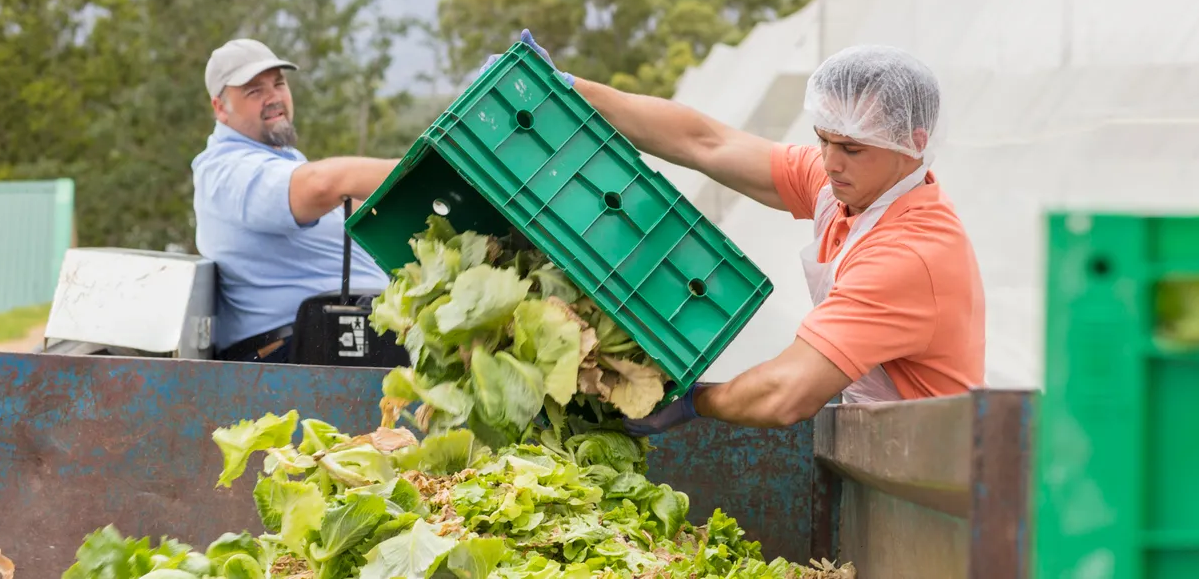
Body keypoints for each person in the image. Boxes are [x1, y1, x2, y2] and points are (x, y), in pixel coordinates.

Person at [483, 30, 985, 434]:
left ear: (914, 144)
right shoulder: (850, 190)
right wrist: (570, 89)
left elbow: (786, 392)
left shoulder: (908, 254)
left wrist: (695, 402)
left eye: (851, 149)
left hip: (938, 474)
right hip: (884, 448)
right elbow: (707, 142)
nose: (830, 163)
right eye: (823, 140)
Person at [191, 38, 398, 363]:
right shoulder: (224, 169)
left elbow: (368, 209)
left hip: (347, 336)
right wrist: (430, 168)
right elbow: (326, 184)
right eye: (254, 91)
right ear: (220, 108)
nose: (274, 98)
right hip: (290, 355)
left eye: (278, 83)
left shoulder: (285, 162)